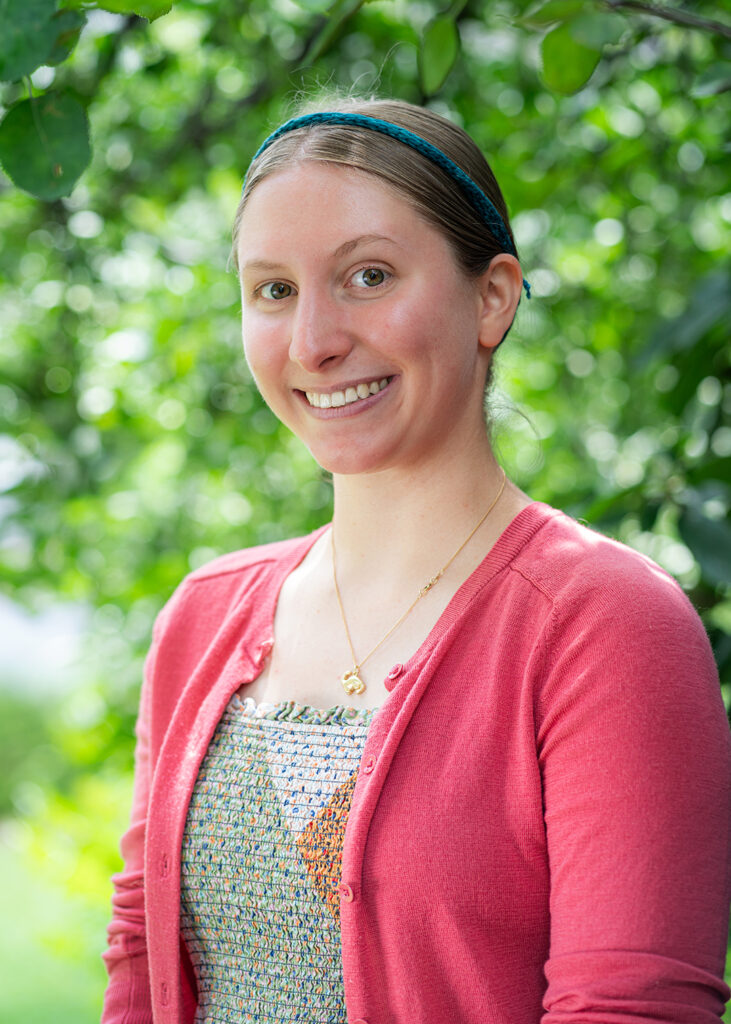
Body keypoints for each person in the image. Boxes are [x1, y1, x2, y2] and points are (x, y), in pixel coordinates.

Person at [101, 97, 731, 1024]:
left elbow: (630, 1008)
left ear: (492, 296)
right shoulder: (203, 617)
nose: (313, 340)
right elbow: (139, 960)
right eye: (273, 290)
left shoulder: (603, 624)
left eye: (366, 275)